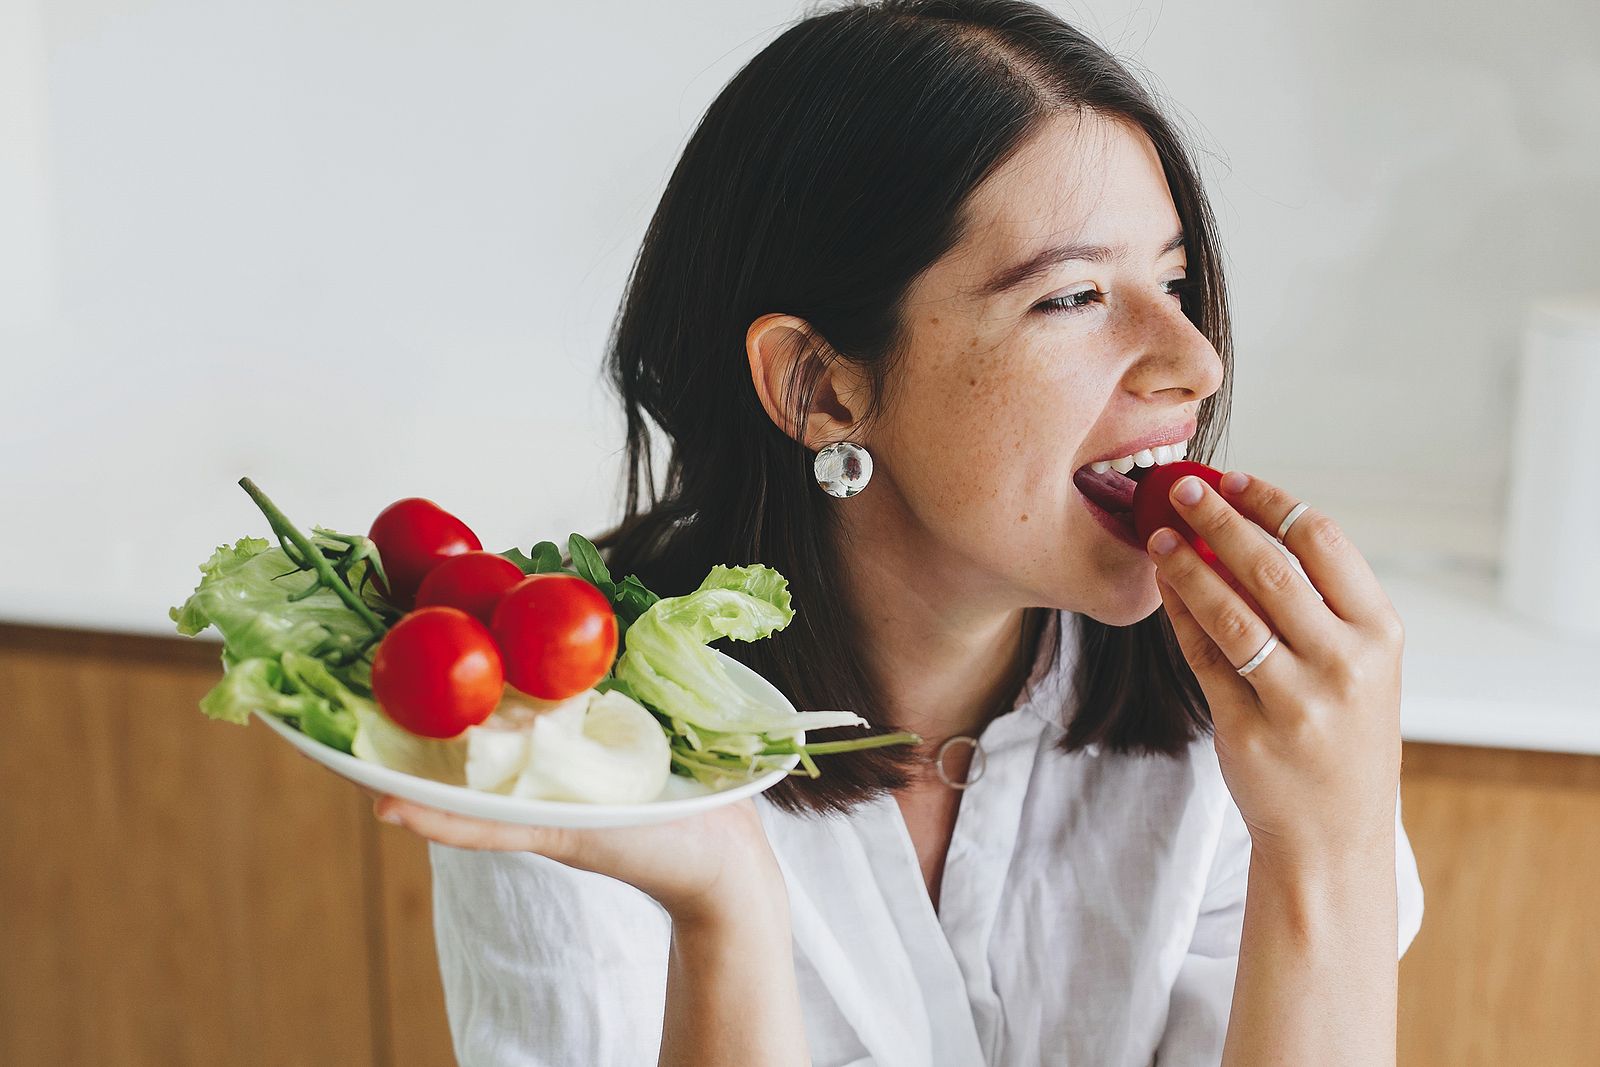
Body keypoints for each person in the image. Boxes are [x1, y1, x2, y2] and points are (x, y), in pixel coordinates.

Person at [368, 2, 1425, 1063]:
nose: (1194, 361)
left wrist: (1325, 847)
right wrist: (725, 912)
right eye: (1072, 297)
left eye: (1175, 281)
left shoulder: (1245, 733)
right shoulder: (577, 737)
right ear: (820, 386)